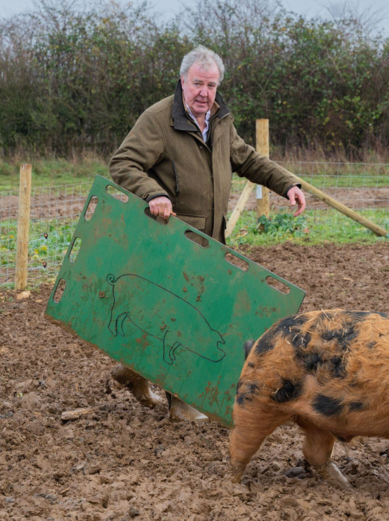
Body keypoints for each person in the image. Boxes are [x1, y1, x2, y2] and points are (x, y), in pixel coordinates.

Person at [108, 45, 307, 421]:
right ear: (183, 81)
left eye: (211, 85)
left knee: (181, 314)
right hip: (173, 239)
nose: (204, 92)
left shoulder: (219, 120)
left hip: (211, 241)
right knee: (185, 319)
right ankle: (181, 401)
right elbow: (123, 163)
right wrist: (154, 193)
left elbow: (247, 159)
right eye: (197, 83)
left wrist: (287, 184)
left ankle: (131, 371)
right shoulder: (158, 120)